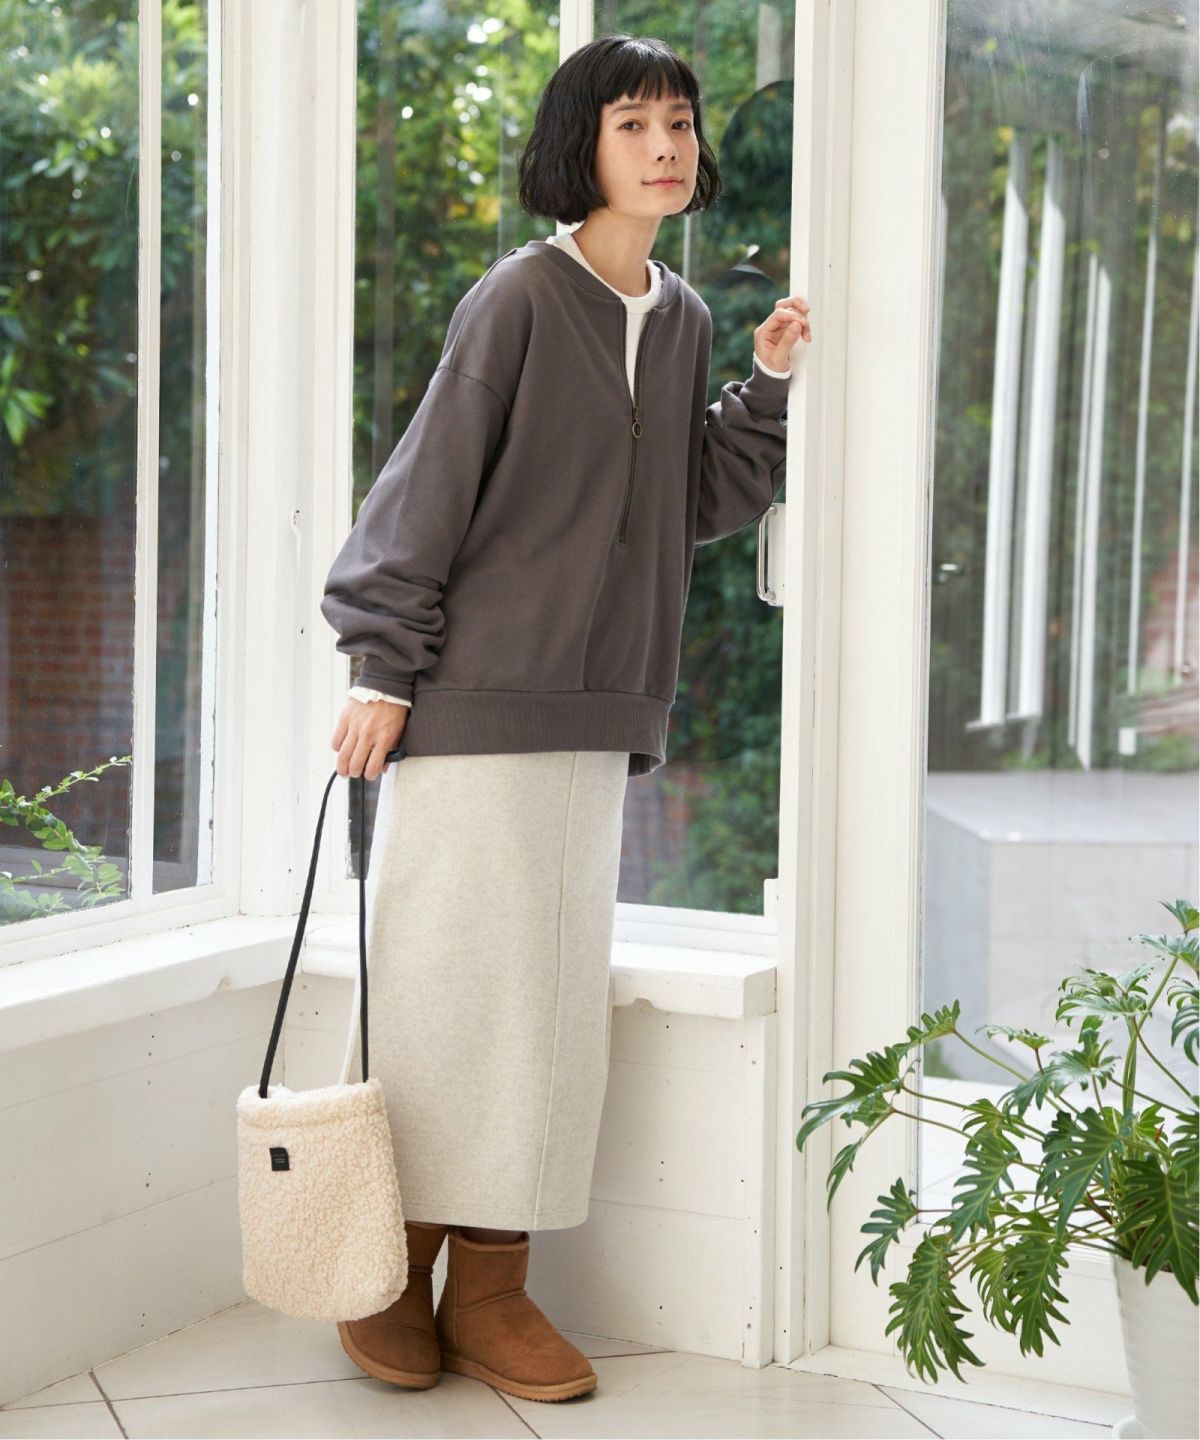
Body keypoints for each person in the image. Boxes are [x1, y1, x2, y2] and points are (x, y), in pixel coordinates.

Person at [319, 33, 813, 1405]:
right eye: (633, 123)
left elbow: (688, 500)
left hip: (598, 717)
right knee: (440, 994)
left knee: (543, 1012)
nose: (665, 146)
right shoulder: (521, 298)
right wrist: (380, 666)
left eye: (681, 123)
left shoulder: (686, 315)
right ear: (580, 146)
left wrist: (766, 386)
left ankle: (492, 1288)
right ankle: (386, 1264)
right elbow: (428, 483)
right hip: (472, 703)